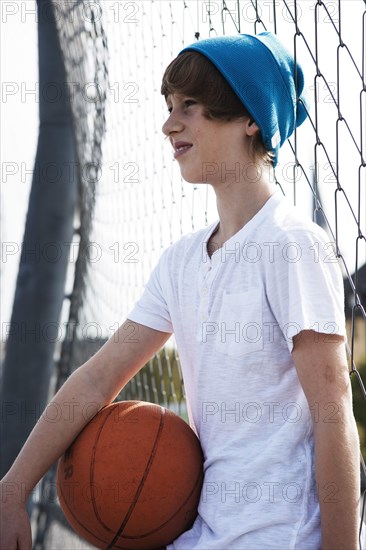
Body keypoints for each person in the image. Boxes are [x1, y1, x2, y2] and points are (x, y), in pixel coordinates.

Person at [0, 32, 360, 550]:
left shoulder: (291, 245)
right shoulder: (182, 261)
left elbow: (333, 411)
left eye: (190, 106)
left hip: (280, 537)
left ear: (250, 118)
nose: (170, 124)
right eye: (170, 107)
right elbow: (98, 378)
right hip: (204, 535)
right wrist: (13, 488)